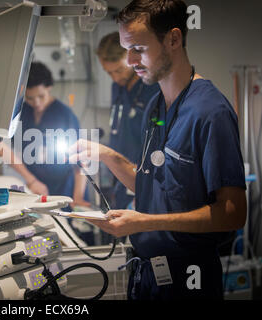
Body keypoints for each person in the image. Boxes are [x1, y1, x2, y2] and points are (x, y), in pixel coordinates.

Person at [69, 0, 246, 299]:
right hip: (147, 273)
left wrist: (146, 221)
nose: (129, 61)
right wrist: (107, 156)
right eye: (127, 49)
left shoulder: (210, 112)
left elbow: (232, 213)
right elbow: (151, 184)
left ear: (173, 39)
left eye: (138, 48)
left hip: (190, 277)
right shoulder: (156, 106)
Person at [96, 32, 159, 212]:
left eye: (119, 70)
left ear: (130, 58)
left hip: (145, 179)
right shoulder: (117, 87)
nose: (115, 78)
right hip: (121, 179)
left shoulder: (151, 88)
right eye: (109, 72)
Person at [16, 61, 89, 208]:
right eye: (29, 98)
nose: (36, 102)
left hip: (66, 188)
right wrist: (31, 180)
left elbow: (82, 161)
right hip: (37, 186)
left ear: (49, 88)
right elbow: (13, 151)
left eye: (41, 96)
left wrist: (78, 198)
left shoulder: (64, 115)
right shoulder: (23, 113)